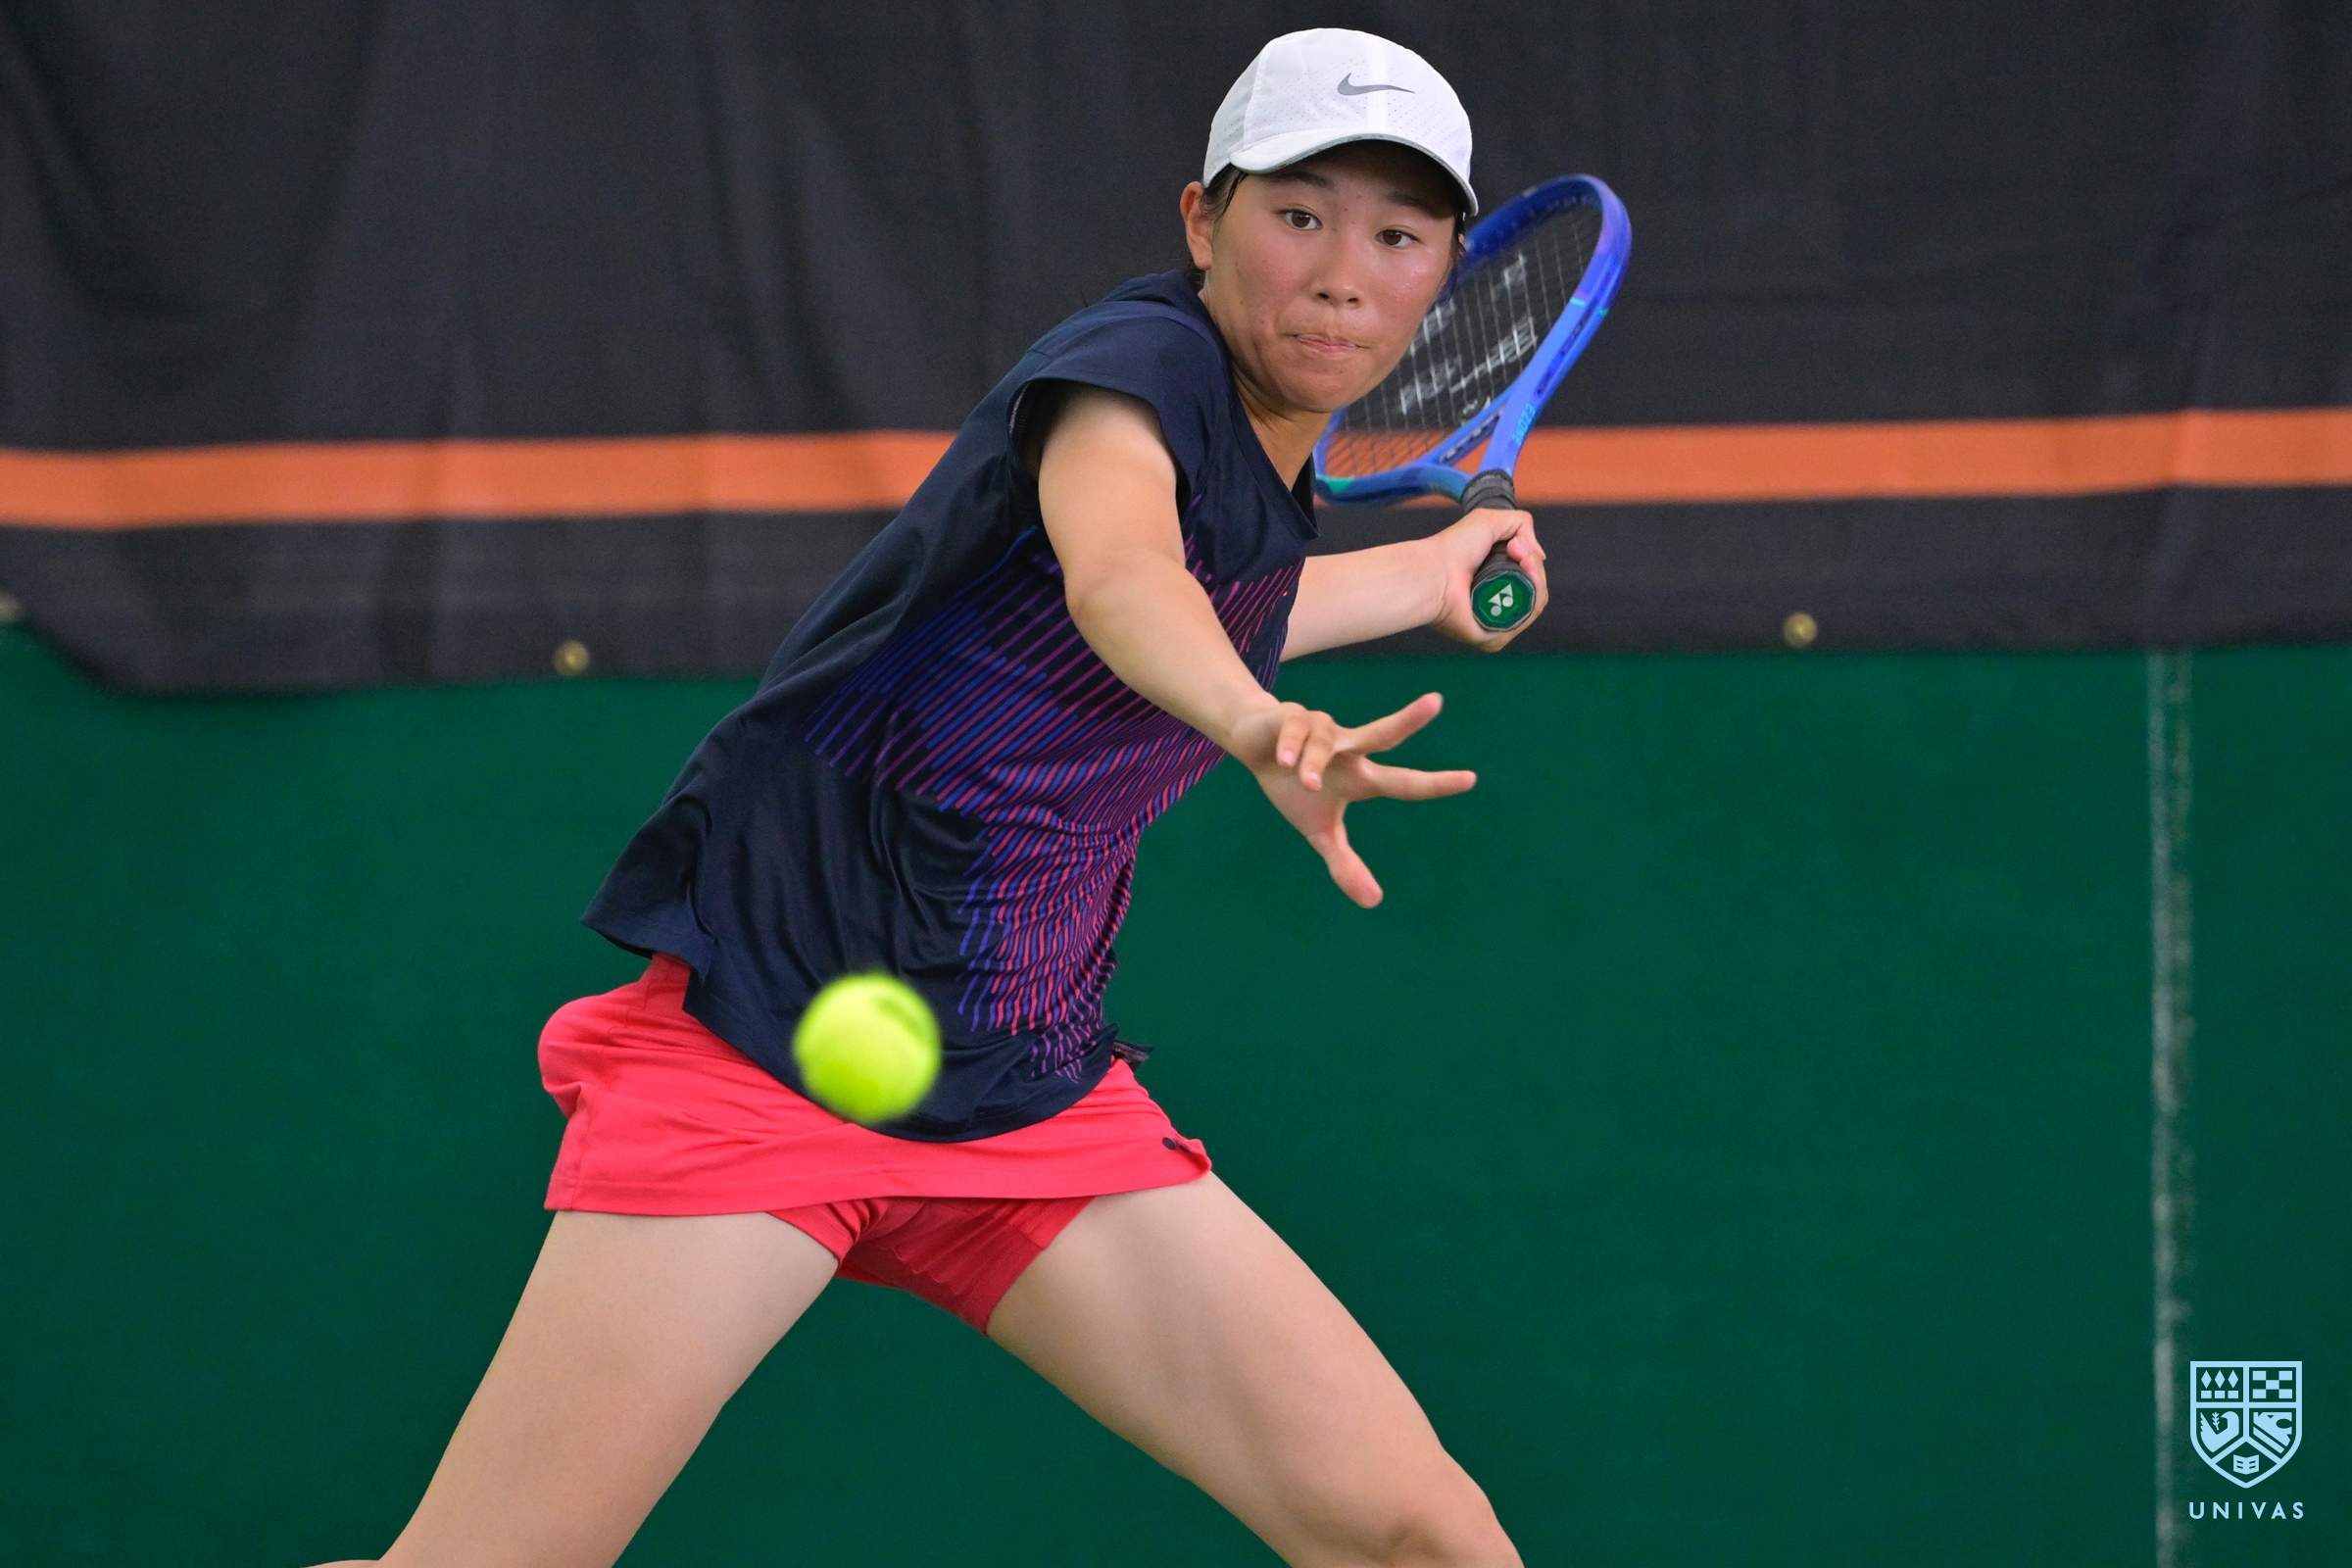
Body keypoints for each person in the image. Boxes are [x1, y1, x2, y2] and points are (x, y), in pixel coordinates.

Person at [318, 27, 1547, 1568]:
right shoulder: (1134, 373)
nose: (1342, 277)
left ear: (1442, 273)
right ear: (1201, 222)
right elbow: (1122, 581)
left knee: (1421, 1536)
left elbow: (1190, 612)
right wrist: (1254, 725)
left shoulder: (1257, 470)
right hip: (770, 1049)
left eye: (1396, 238)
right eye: (1298, 216)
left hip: (1027, 1090)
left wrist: (1424, 577)